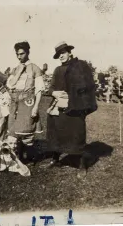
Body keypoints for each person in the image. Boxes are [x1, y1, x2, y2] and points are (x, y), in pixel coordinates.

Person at [46, 41, 97, 178]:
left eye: (63, 53)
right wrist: (54, 93)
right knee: (56, 130)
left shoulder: (80, 66)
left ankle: (82, 165)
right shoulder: (57, 70)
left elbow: (88, 85)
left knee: (77, 133)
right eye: (58, 54)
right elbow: (51, 87)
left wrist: (74, 94)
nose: (61, 56)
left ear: (69, 52)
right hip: (59, 105)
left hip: (76, 106)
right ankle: (55, 159)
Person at [6, 41, 45, 160]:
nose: (19, 56)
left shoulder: (35, 68)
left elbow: (39, 89)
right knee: (14, 129)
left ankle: (31, 156)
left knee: (26, 129)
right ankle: (19, 156)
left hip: (28, 102)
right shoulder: (15, 68)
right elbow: (10, 84)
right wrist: (19, 71)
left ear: (28, 52)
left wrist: (36, 107)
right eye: (17, 54)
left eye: (22, 54)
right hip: (15, 102)